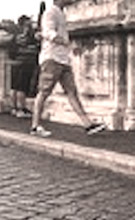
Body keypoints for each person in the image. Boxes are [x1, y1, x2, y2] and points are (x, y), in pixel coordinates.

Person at [30, 0, 107, 137]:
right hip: (52, 58)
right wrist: (65, 42)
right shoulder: (51, 12)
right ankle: (35, 126)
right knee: (44, 92)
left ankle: (87, 124)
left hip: (62, 59)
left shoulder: (59, 12)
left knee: (71, 92)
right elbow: (48, 32)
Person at [9, 15, 39, 117]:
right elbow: (36, 46)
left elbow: (11, 50)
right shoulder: (29, 35)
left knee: (14, 86)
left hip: (15, 63)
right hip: (26, 62)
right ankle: (21, 109)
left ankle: (14, 108)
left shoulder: (14, 35)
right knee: (22, 86)